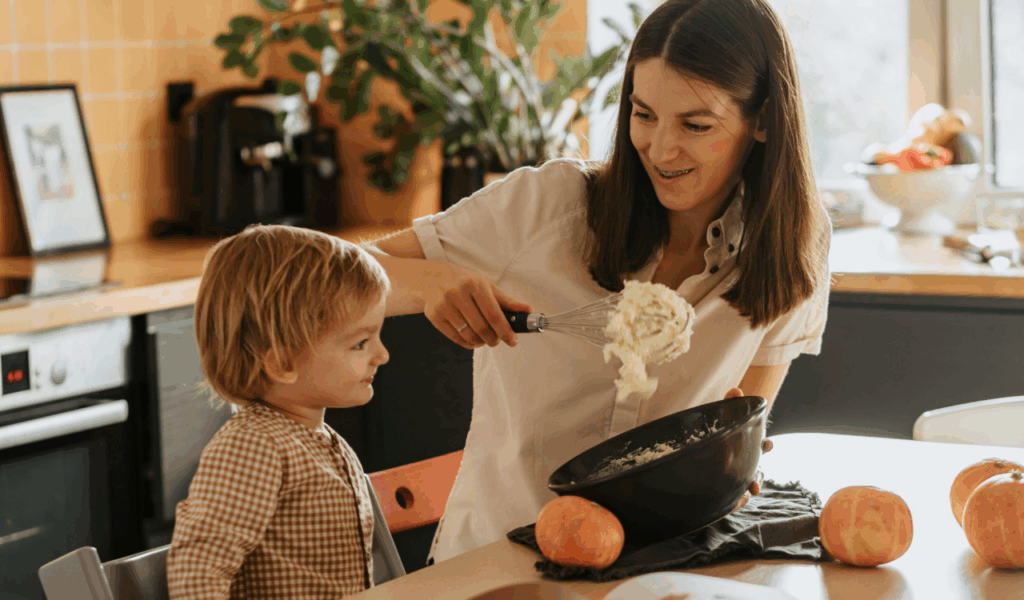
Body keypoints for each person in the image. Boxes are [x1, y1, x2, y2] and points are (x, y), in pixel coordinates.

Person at [363, 0, 831, 565]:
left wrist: (732, 464)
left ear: (762, 121)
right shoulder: (543, 206)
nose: (660, 149)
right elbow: (326, 272)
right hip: (497, 561)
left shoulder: (792, 243)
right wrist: (431, 280)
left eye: (696, 125)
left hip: (660, 565)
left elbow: (742, 422)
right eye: (644, 114)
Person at [167, 225, 391, 599]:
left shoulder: (315, 437)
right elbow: (198, 567)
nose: (382, 355)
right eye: (361, 343)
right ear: (283, 362)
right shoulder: (253, 446)